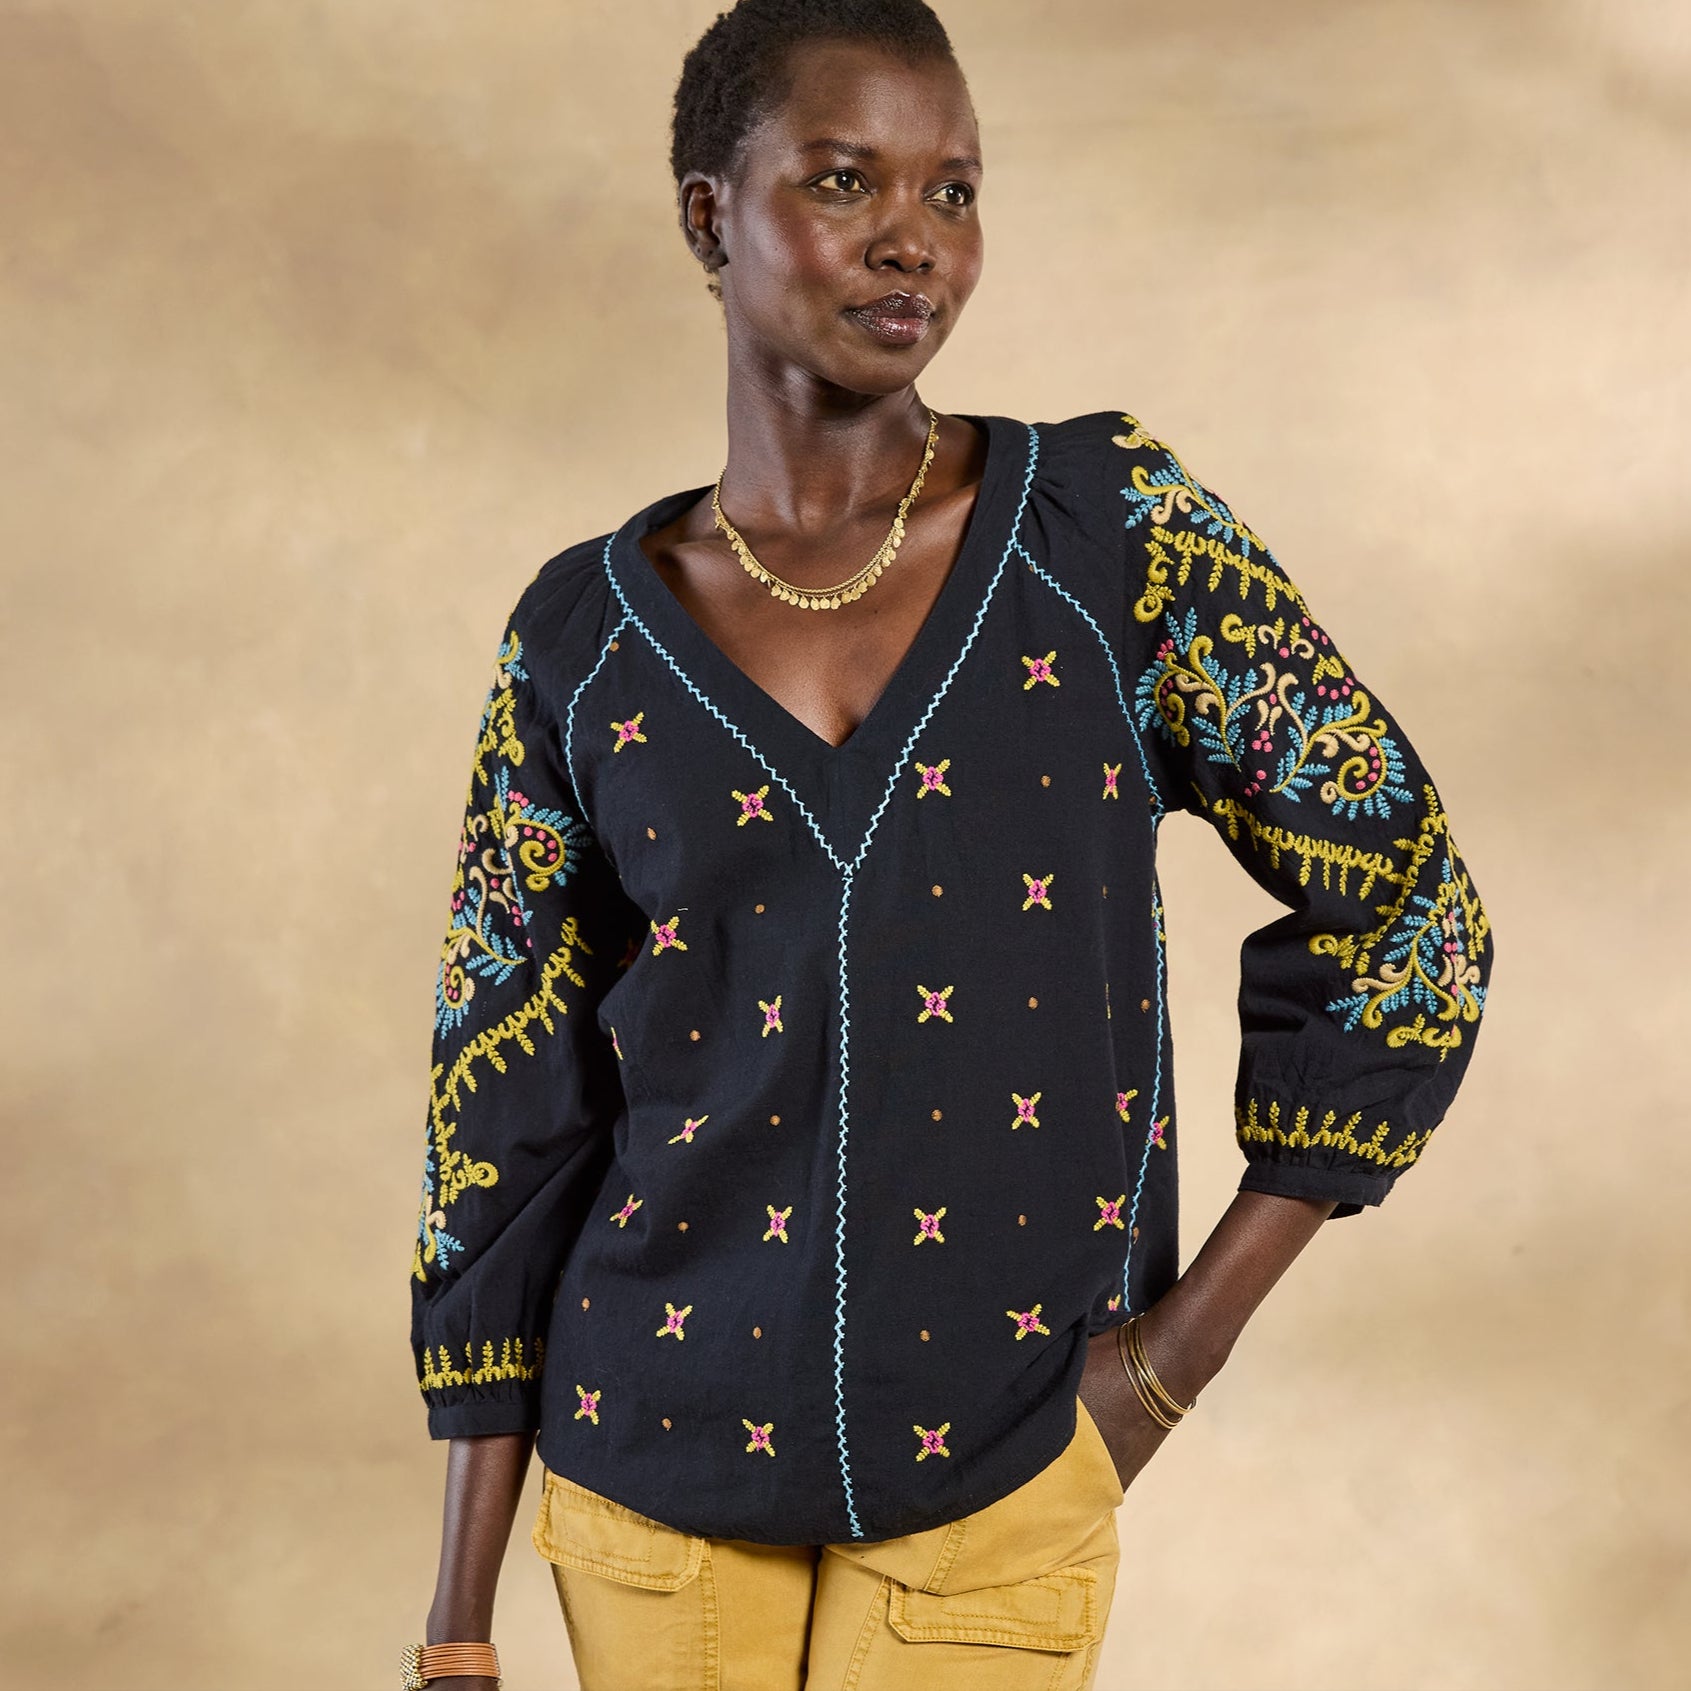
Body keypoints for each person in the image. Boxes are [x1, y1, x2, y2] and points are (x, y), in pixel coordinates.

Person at [402, 3, 1496, 1688]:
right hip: (650, 1481)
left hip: (1001, 1472)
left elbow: (1409, 910)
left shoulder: (1114, 540)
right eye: (847, 180)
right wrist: (458, 1622)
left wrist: (1173, 1363)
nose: (915, 237)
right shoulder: (583, 638)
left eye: (956, 190)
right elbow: (503, 1098)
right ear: (711, 214)